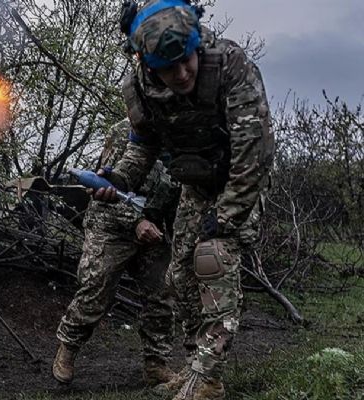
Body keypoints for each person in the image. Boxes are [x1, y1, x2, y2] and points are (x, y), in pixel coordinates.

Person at [94, 1, 275, 399]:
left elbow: (255, 151)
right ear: (147, 63)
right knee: (180, 277)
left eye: (185, 60)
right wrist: (118, 179)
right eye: (167, 67)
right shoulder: (140, 88)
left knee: (212, 260)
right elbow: (143, 147)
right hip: (195, 188)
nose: (181, 74)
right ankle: (198, 366)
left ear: (196, 45)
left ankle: (207, 378)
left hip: (237, 183)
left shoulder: (229, 65)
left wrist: (226, 217)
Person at [52, 119, 190, 386]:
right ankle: (67, 347)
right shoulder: (125, 132)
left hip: (153, 224)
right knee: (96, 287)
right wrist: (135, 222)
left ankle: (156, 364)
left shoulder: (186, 135)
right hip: (110, 222)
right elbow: (109, 188)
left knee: (162, 293)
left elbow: (181, 192)